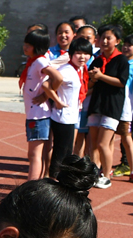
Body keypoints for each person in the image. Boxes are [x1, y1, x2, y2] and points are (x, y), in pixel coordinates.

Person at [85, 24, 129, 188]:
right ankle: (94, 173)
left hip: (112, 106)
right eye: (102, 37)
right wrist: (93, 79)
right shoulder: (96, 60)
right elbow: (88, 85)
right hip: (96, 104)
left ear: (117, 41)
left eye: (108, 38)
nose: (104, 41)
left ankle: (106, 174)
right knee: (93, 143)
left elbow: (121, 82)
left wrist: (101, 76)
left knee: (104, 143)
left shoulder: (121, 60)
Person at [44, 40, 86, 179]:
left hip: (69, 116)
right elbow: (46, 85)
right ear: (71, 54)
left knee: (66, 151)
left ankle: (59, 181)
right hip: (63, 117)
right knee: (61, 152)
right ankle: (53, 181)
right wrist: (58, 101)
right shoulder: (66, 70)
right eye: (78, 53)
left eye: (86, 54)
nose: (82, 57)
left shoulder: (77, 70)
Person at [112, 34, 133, 184]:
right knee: (108, 137)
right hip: (112, 106)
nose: (125, 47)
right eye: (124, 44)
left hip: (125, 108)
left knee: (127, 138)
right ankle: (103, 168)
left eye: (129, 45)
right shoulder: (117, 62)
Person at [21, 29, 53, 180]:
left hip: (38, 115)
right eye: (25, 43)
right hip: (33, 113)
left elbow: (57, 77)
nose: (25, 47)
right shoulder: (32, 62)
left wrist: (46, 94)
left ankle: (32, 186)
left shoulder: (40, 61)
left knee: (35, 154)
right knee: (32, 153)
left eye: (29, 44)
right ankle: (33, 184)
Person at [72, 25, 96, 156]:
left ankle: (90, 164)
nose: (86, 40)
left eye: (89, 38)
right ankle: (77, 161)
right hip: (77, 103)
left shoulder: (97, 59)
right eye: (82, 37)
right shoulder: (73, 58)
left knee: (92, 136)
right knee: (79, 134)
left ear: (94, 40)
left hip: (91, 102)